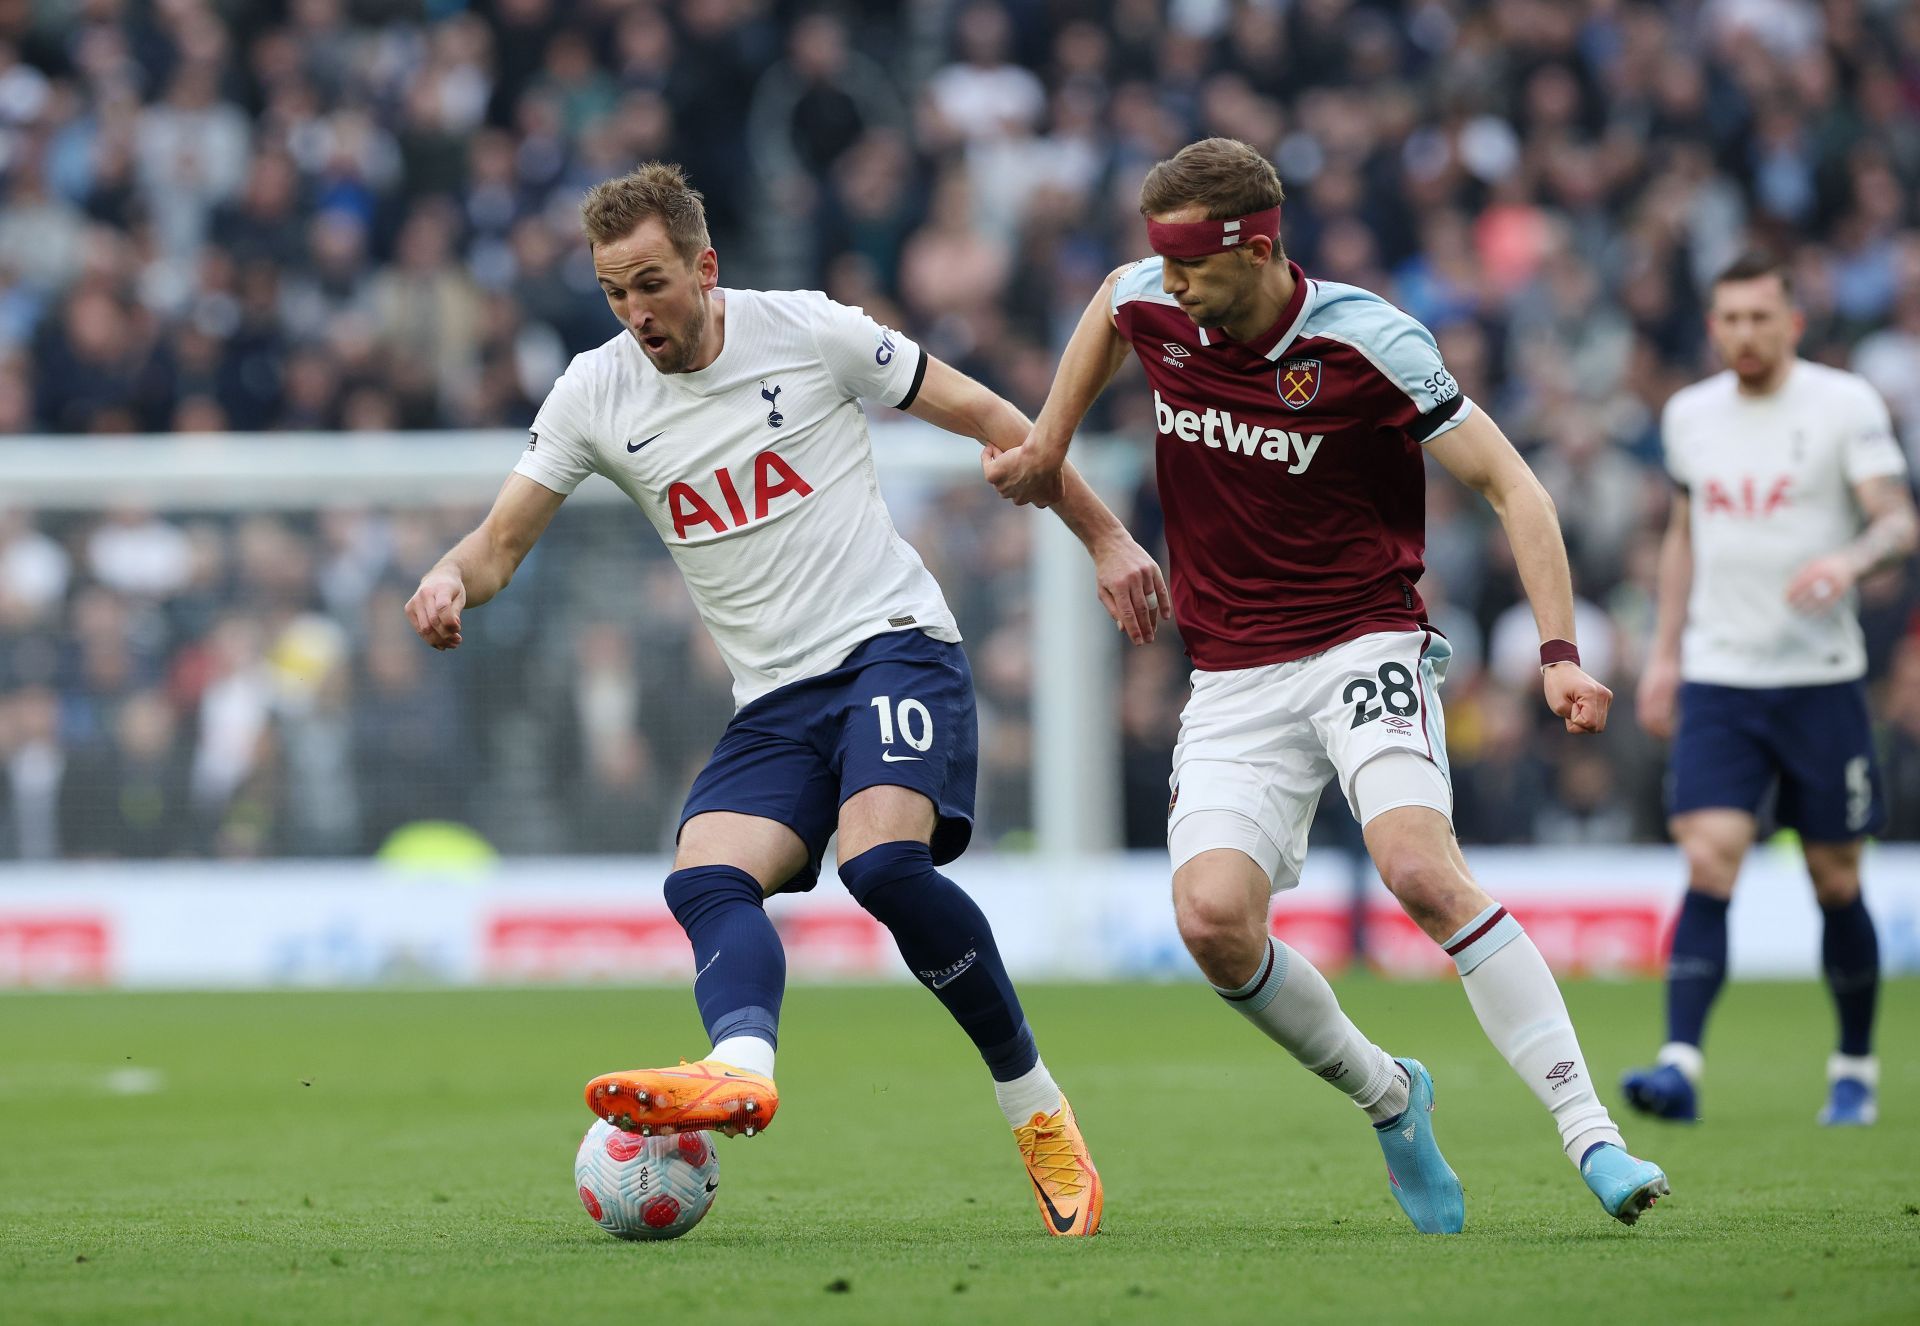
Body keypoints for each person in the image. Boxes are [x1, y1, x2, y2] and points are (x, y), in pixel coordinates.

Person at [405, 163, 1170, 1236]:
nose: (636, 313)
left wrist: (1106, 535)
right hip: (773, 698)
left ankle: (1034, 1109)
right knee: (705, 879)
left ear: (705, 267)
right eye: (614, 291)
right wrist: (449, 579)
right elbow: (496, 547)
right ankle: (741, 1066)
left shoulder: (811, 333)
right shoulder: (594, 393)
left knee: (881, 865)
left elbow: (998, 418)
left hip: (893, 651)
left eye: (652, 283)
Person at [984, 137, 1668, 1230]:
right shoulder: (1152, 300)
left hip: (1364, 644)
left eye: (1192, 268)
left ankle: (1593, 1135)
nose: (1171, 287)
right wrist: (1050, 449)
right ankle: (1392, 1098)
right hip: (1232, 676)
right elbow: (1111, 306)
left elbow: (1514, 488)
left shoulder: (1369, 343)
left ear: (1256, 248)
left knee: (1420, 872)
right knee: (1211, 923)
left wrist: (1559, 652)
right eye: (1161, 265)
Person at [1625, 252, 1917, 1127]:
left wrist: (1851, 558)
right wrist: (1664, 654)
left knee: (1835, 878)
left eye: (1761, 317)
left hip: (1821, 683)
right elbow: (1683, 534)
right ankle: (1678, 1066)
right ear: (1712, 326)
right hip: (1720, 676)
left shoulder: (1843, 404)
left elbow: (1898, 517)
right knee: (1710, 854)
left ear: (1793, 323)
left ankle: (1855, 1068)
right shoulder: (1689, 416)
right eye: (1730, 319)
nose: (1744, 334)